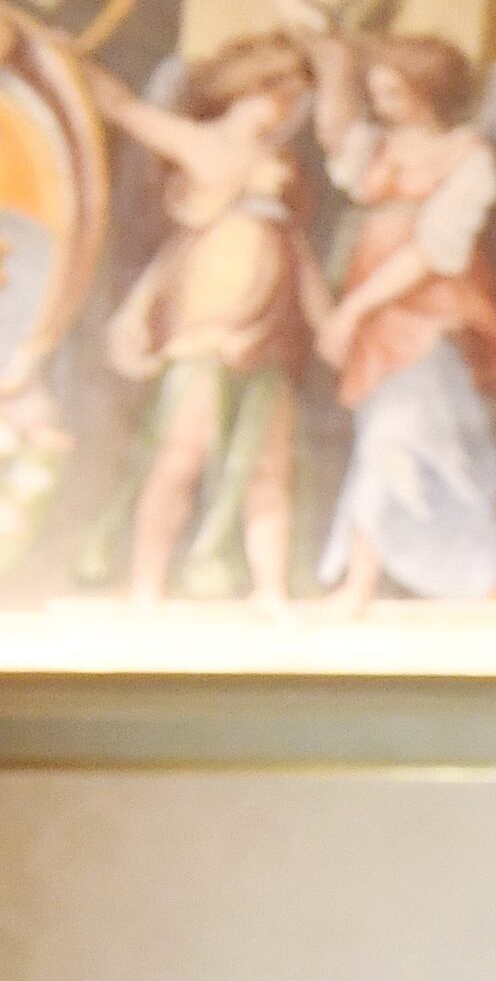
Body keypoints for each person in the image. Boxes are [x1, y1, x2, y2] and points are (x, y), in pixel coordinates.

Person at [82, 33, 323, 607]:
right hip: (205, 324)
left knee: (267, 461)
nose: (287, 108)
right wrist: (65, 55)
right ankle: (148, 583)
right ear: (245, 90)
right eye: (278, 93)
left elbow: (295, 250)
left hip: (265, 329)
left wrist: (325, 315)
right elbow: (121, 108)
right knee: (180, 455)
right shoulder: (202, 145)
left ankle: (269, 588)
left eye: (294, 97)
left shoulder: (281, 163)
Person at [308, 33, 496, 609]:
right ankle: (369, 576)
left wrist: (352, 310)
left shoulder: (468, 156)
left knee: (398, 437)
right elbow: (334, 135)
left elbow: (432, 250)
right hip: (377, 309)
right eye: (377, 90)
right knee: (387, 436)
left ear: (428, 92)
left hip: (429, 312)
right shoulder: (376, 146)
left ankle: (365, 581)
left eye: (393, 91)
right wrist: (335, 68)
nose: (382, 100)